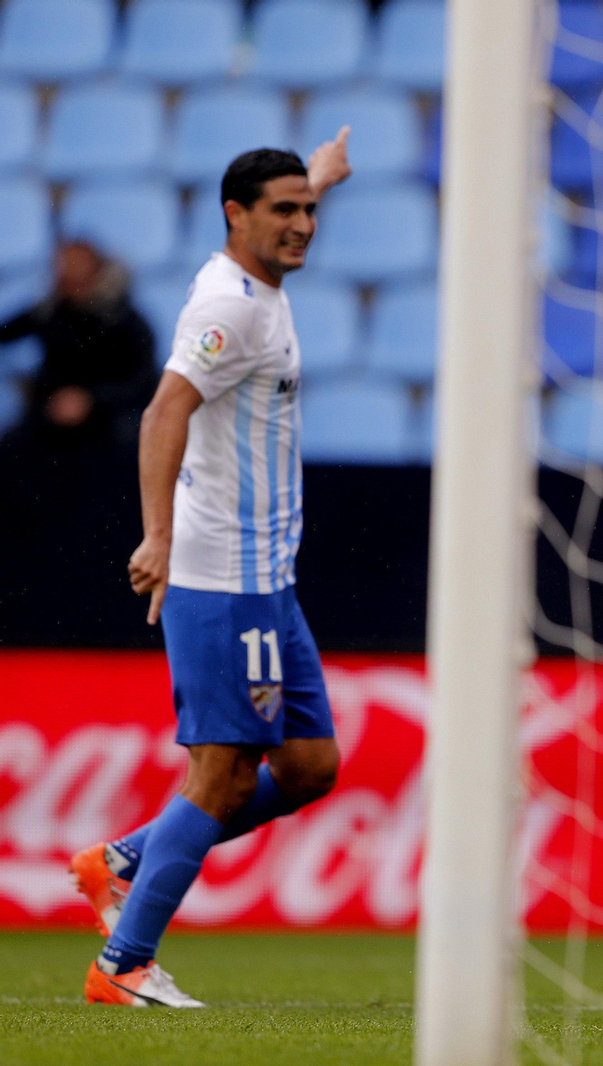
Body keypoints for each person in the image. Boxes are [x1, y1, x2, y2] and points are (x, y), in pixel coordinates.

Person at [69, 130, 353, 1008]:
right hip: (223, 578)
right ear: (237, 216)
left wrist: (319, 173)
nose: (303, 223)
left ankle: (119, 860)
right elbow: (163, 414)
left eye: (310, 207)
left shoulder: (251, 279)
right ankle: (123, 965)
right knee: (224, 771)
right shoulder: (229, 312)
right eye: (286, 210)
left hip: (267, 578)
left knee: (309, 765)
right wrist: (155, 537)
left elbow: (278, 212)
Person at [0, 240, 156, 449]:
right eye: (62, 266)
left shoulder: (124, 320)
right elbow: (8, 332)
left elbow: (141, 380)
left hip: (110, 425)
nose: (65, 273)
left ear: (97, 269)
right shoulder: (49, 310)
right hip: (49, 419)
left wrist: (90, 400)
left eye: (75, 265)